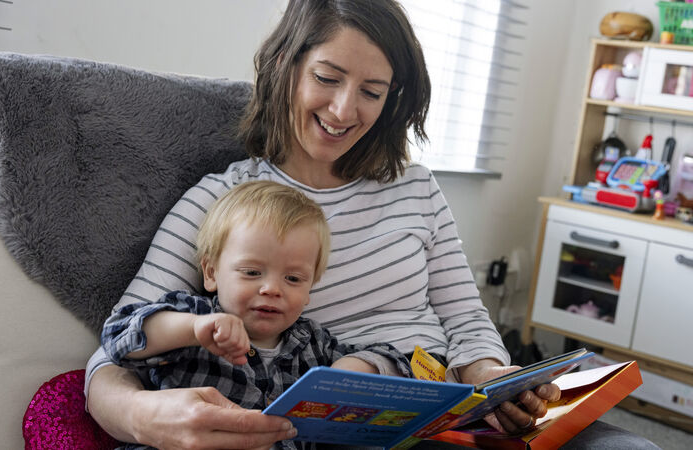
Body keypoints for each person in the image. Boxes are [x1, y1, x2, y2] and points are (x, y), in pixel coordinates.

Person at [86, 1, 657, 449]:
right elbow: (111, 353)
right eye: (327, 78)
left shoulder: (415, 186)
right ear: (288, 66)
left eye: (372, 92)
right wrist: (143, 418)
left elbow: (464, 316)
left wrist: (499, 382)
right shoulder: (222, 200)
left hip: (453, 411)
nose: (343, 110)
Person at [100, 180, 412, 448]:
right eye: (252, 272)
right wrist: (193, 329)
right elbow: (118, 336)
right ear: (210, 273)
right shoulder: (196, 314)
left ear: (309, 290)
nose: (272, 289)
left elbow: (389, 358)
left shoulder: (314, 343)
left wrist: (356, 368)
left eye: (293, 279)